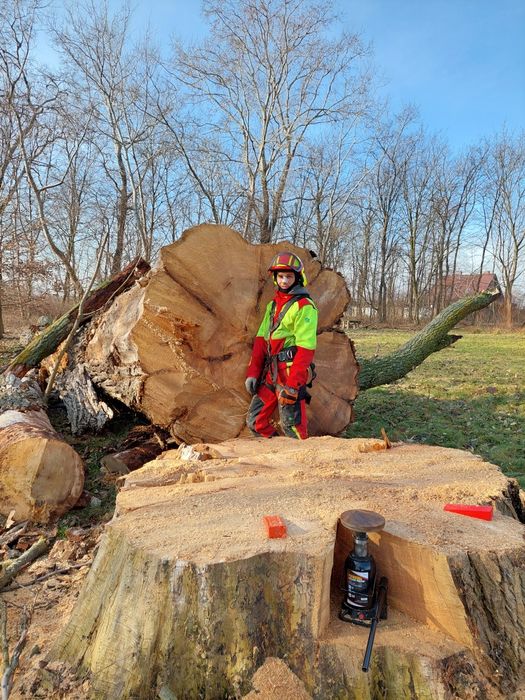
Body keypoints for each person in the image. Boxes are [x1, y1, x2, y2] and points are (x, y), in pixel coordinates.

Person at [245, 252, 318, 439]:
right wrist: (253, 372)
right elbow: (261, 340)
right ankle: (275, 454)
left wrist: (293, 385)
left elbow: (306, 349)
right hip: (272, 373)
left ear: (298, 278)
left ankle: (302, 456)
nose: (284, 280)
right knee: (255, 421)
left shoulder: (305, 306)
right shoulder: (272, 305)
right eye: (281, 276)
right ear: (275, 278)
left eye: (289, 276)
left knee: (293, 428)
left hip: (291, 373)